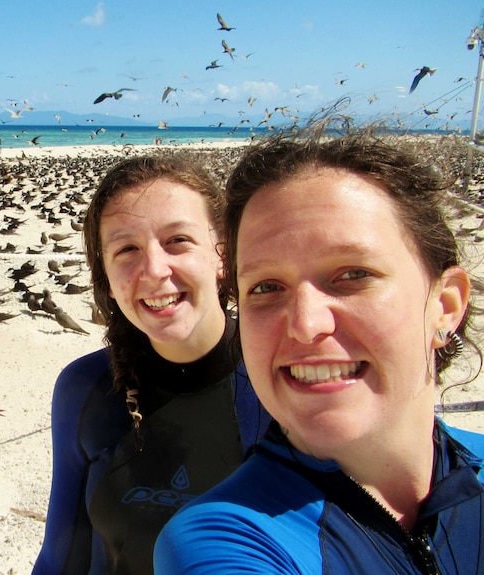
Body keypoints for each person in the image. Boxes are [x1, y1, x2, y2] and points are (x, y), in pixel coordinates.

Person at [154, 123, 484, 574]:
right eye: (266, 286)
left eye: (353, 274)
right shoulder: (227, 542)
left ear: (445, 306)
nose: (307, 325)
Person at [33, 152, 271, 575]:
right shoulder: (86, 387)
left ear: (222, 255)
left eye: (177, 240)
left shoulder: (278, 378)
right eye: (127, 249)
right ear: (105, 278)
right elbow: (60, 557)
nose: (154, 270)